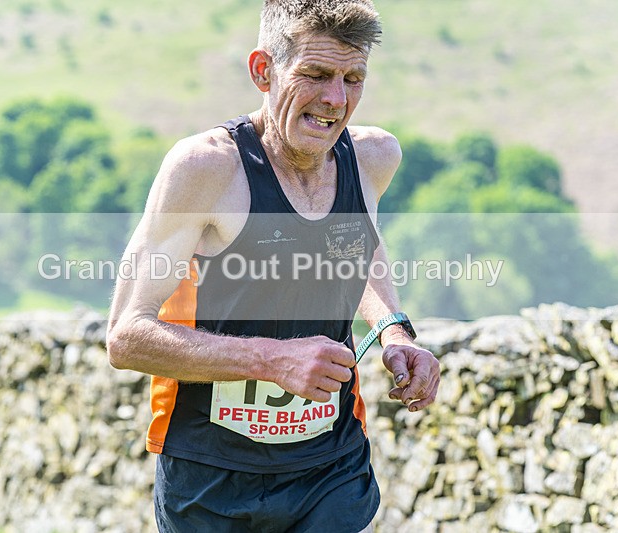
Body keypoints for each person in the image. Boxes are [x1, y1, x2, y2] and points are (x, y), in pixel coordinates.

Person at [107, 1, 441, 531]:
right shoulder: (206, 169)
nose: (336, 99)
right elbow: (127, 338)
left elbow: (357, 248)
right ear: (263, 71)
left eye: (353, 78)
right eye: (315, 74)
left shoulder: (374, 158)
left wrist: (394, 331)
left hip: (331, 469)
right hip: (213, 477)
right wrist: (270, 361)